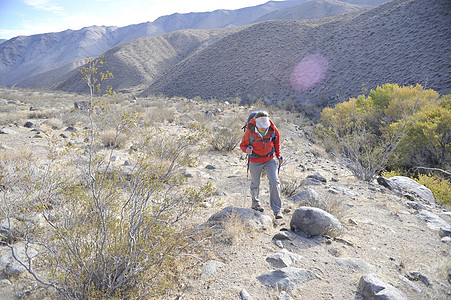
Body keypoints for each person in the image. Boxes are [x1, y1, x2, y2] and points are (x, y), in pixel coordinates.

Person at [240, 111, 284, 219]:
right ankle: (255, 204)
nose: (263, 128)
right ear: (256, 123)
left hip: (269, 159)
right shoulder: (250, 131)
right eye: (261, 127)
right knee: (255, 183)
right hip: (255, 160)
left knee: (274, 182)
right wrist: (247, 150)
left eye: (265, 126)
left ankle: (277, 210)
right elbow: (242, 145)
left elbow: (276, 142)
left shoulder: (273, 129)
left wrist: (278, 156)